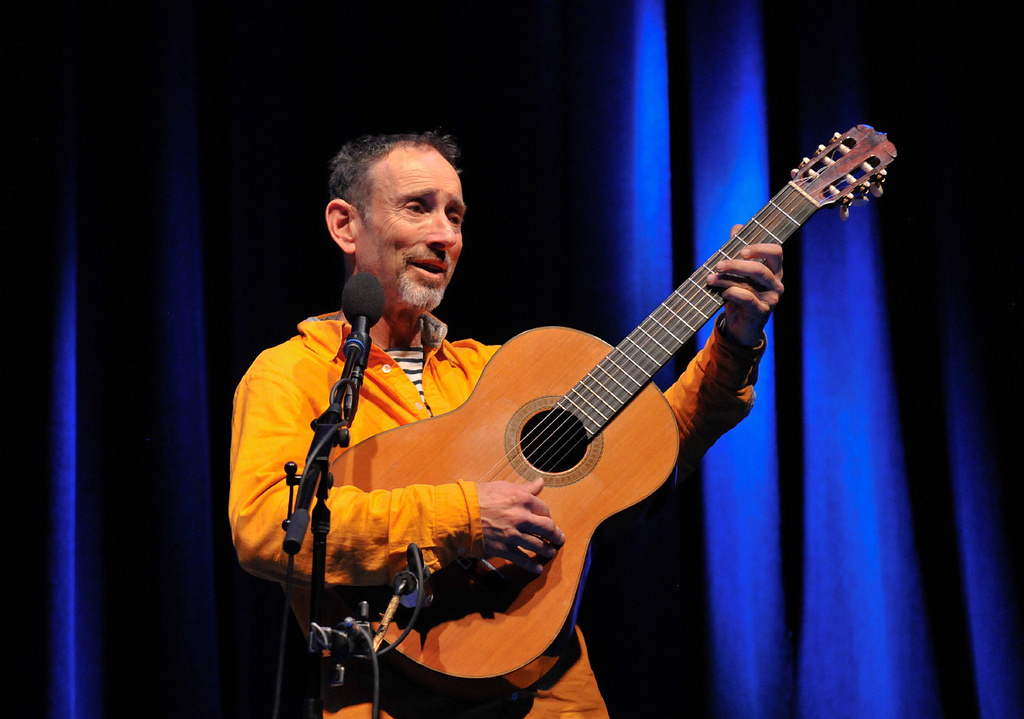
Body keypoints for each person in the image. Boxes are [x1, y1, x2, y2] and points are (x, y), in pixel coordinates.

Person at [229, 131, 784, 718]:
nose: (445, 235)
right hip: (385, 699)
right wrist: (466, 518)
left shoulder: (495, 370)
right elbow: (267, 528)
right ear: (346, 226)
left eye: (456, 216)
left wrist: (735, 340)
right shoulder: (294, 373)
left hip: (550, 693)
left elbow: (654, 444)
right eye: (418, 208)